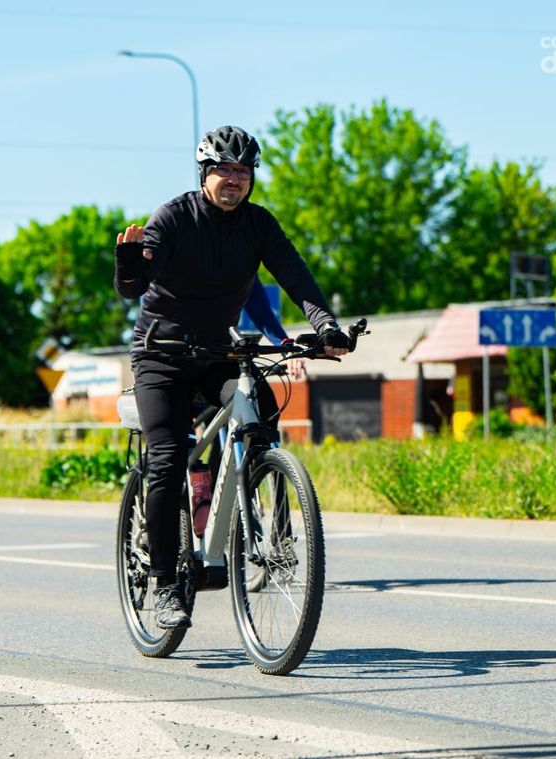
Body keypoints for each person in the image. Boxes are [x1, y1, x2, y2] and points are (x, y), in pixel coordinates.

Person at [113, 125, 350, 630]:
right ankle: (165, 583)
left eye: (243, 170)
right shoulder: (174, 217)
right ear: (205, 173)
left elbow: (295, 276)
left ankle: (260, 525)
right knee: (168, 458)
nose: (234, 179)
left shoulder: (258, 224)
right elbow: (133, 287)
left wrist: (325, 326)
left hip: (219, 352)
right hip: (162, 355)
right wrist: (128, 266)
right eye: (224, 169)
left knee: (260, 413)